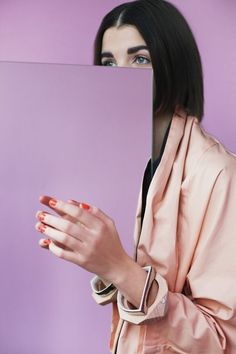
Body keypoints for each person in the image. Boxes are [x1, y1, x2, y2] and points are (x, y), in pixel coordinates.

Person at [35, 0, 236, 353]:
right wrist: (91, 253)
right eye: (108, 63)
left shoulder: (218, 173)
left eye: (139, 59)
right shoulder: (121, 158)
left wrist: (118, 267)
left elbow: (223, 341)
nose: (119, 75)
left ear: (173, 63)